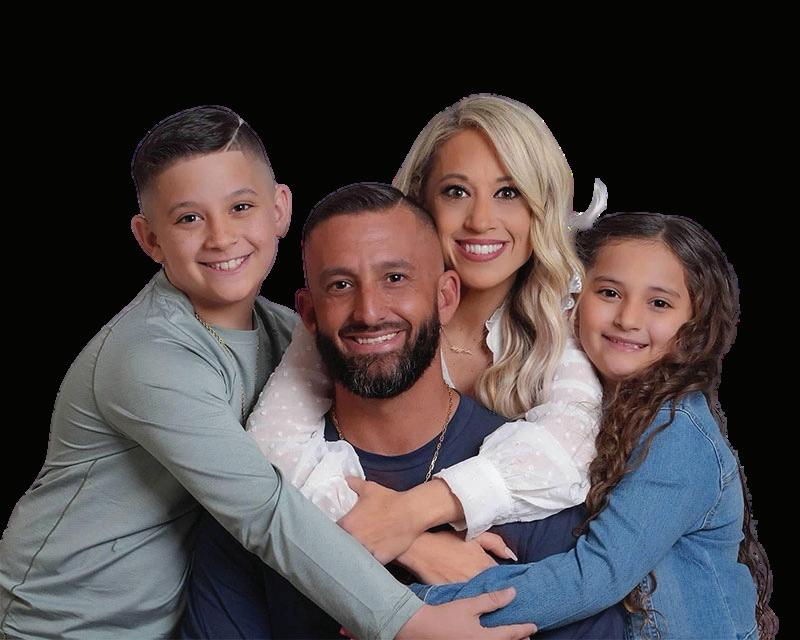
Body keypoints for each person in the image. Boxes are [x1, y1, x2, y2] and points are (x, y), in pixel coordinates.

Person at [0, 106, 532, 640]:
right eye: (188, 219)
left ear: (279, 209)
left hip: (178, 613)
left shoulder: (285, 331)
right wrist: (409, 597)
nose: (220, 237)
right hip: (68, 623)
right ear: (150, 239)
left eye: (240, 207)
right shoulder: (148, 358)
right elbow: (263, 509)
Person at [181, 182, 624, 639]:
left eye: (395, 278)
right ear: (309, 314)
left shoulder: (532, 487)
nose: (370, 311)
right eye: (340, 285)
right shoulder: (256, 496)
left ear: (445, 297)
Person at [248, 94, 608, 567]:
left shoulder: (564, 319)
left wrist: (415, 512)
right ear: (421, 200)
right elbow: (270, 448)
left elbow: (574, 445)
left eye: (508, 193)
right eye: (456, 192)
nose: (481, 221)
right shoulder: (366, 318)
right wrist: (411, 542)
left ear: (542, 207)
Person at [408, 212, 778, 639]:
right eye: (609, 293)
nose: (628, 318)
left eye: (659, 303)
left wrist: (408, 607)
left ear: (694, 324)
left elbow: (593, 577)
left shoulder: (677, 434)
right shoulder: (578, 406)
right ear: (574, 300)